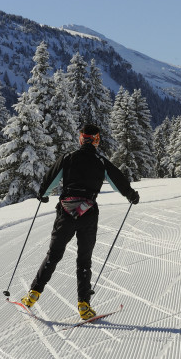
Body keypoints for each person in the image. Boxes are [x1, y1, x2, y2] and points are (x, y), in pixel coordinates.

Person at [20, 123, 140, 319]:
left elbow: (50, 178)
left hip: (65, 214)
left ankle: (33, 294)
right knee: (84, 260)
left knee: (54, 255)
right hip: (88, 214)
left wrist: (43, 194)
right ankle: (84, 305)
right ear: (96, 140)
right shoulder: (101, 162)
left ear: (81, 138)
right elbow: (118, 181)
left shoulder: (68, 158)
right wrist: (131, 195)